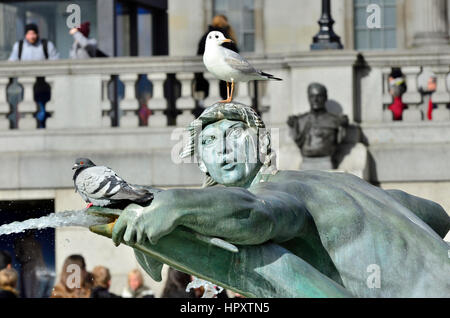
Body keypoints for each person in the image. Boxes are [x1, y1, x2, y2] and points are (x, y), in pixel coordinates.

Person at [111, 102, 450, 297]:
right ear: (200, 161)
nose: (225, 149)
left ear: (262, 146)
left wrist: (175, 205)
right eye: (210, 141)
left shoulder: (280, 190)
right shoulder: (342, 183)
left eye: (235, 135)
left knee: (262, 253)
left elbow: (256, 215)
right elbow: (436, 215)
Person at [287, 83, 348, 168]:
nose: (315, 100)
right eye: (312, 96)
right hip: (306, 162)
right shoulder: (300, 121)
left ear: (325, 98)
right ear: (308, 98)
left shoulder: (335, 120)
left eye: (319, 96)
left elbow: (339, 138)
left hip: (326, 161)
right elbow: (297, 138)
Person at [8, 23, 57, 128]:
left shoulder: (46, 45)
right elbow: (11, 62)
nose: (32, 36)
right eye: (29, 34)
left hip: (44, 86)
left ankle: (43, 128)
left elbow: (56, 61)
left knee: (44, 110)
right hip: (26, 86)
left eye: (34, 33)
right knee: (29, 110)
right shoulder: (19, 46)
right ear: (26, 35)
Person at [195, 15, 240, 102]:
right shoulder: (225, 37)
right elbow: (234, 53)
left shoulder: (206, 37)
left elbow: (199, 54)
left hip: (208, 76)